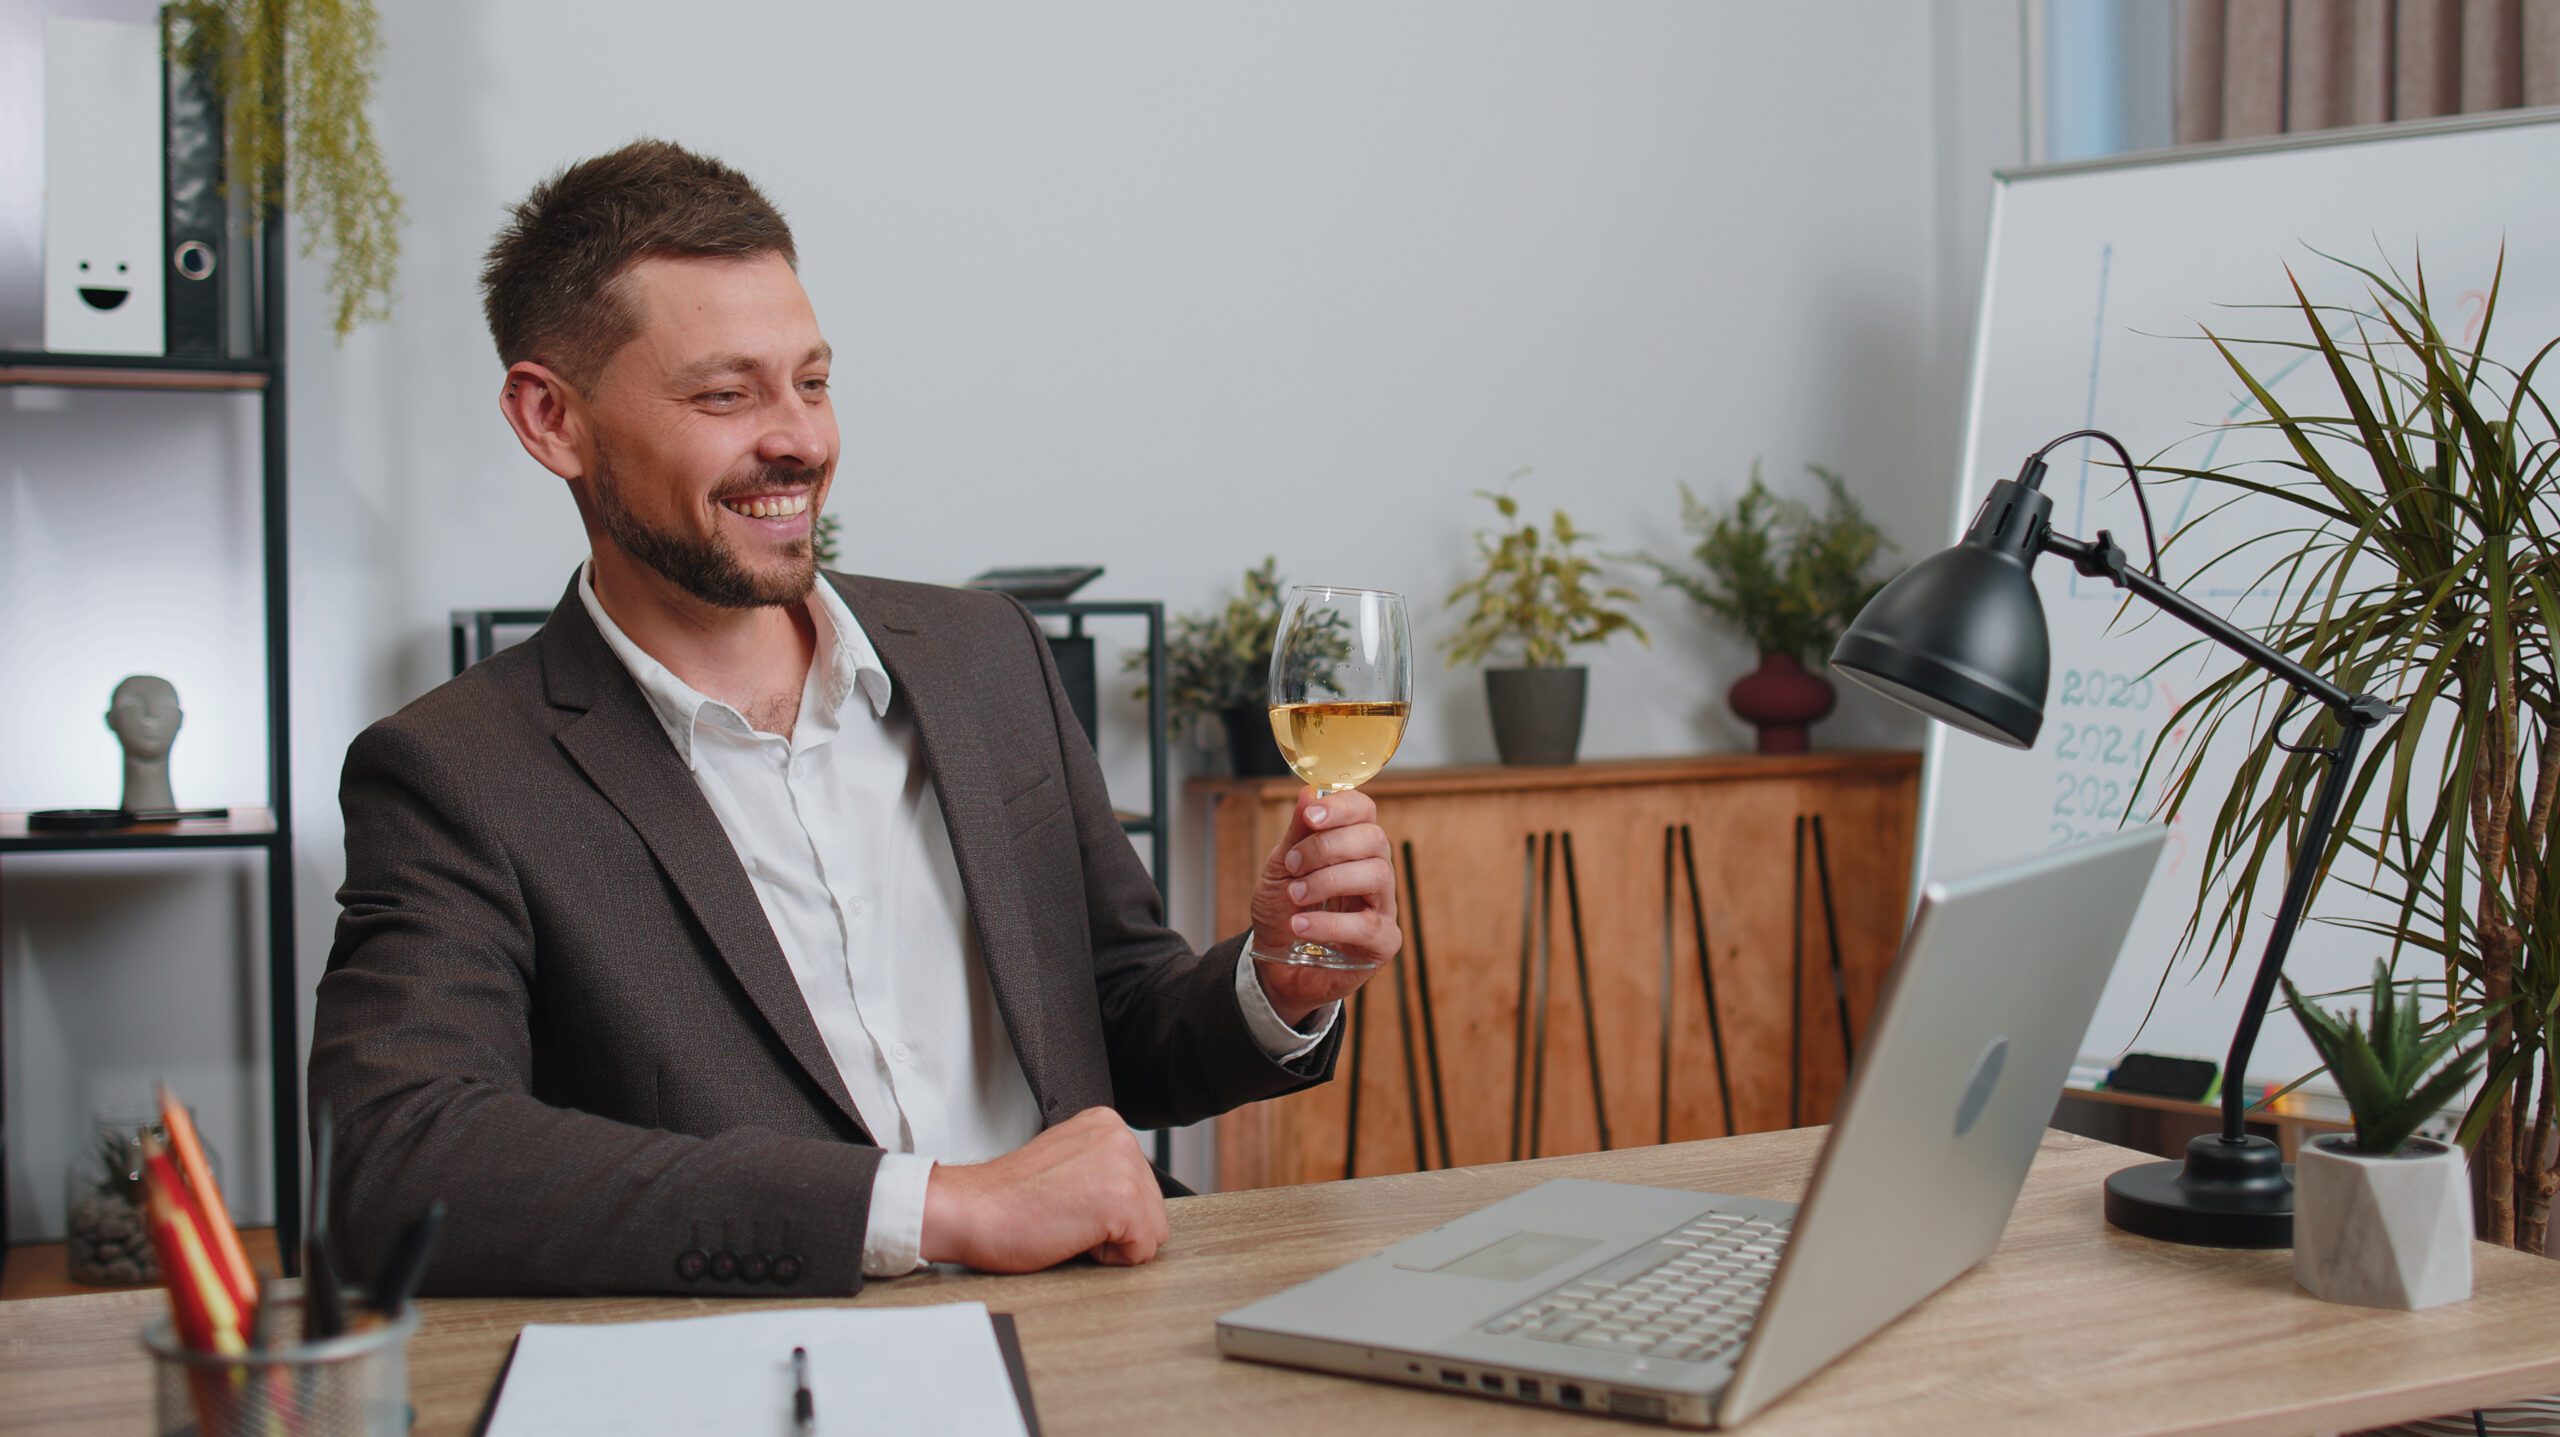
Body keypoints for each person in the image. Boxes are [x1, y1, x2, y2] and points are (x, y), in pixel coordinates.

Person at [308, 139, 1399, 1297]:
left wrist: (1275, 984)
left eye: (813, 382)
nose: (803, 441)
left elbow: (1116, 1014)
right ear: (551, 422)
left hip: (1095, 1316)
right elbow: (400, 1164)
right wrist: (943, 1207)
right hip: (772, 1359)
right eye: (727, 394)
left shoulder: (989, 658)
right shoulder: (454, 772)